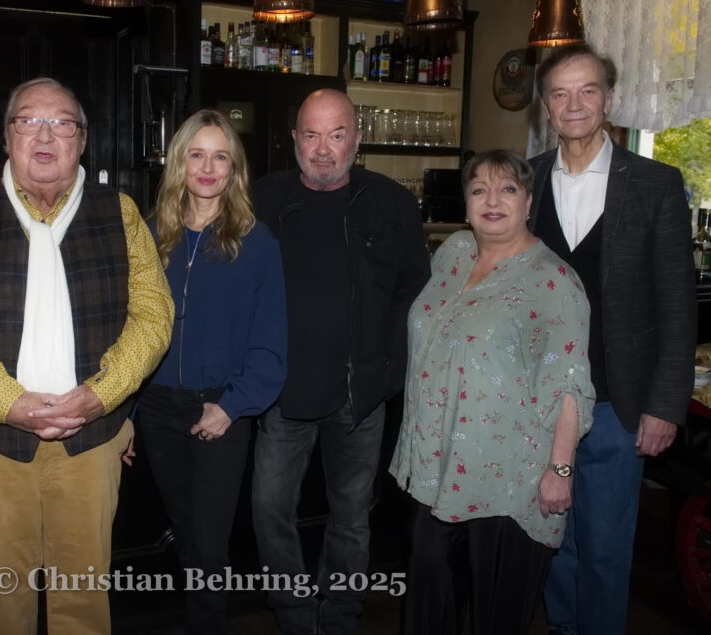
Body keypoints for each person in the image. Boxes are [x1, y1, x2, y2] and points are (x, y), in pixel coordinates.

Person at [0, 77, 173, 635]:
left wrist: (99, 397)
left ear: (82, 140)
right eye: (29, 120)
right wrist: (11, 403)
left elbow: (153, 317)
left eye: (62, 122)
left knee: (84, 597)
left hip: (91, 442)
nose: (45, 134)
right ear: (8, 137)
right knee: (0, 595)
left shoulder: (121, 213)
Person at [390, 150, 596, 634]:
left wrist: (559, 470)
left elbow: (569, 383)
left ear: (528, 203)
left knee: (495, 619)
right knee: (426, 613)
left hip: (509, 481)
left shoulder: (554, 281)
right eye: (479, 189)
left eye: (507, 190)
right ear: (465, 204)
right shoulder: (454, 252)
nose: (493, 201)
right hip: (434, 469)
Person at [529, 44, 696, 635]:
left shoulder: (653, 183)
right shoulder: (523, 183)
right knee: (550, 546)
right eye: (560, 93)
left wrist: (664, 405)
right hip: (537, 405)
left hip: (617, 407)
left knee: (604, 551)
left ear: (609, 98)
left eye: (588, 90)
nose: (574, 104)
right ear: (545, 106)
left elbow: (677, 306)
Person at [251, 88, 430, 634]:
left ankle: (341, 618)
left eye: (336, 134)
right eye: (311, 134)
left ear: (357, 138)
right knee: (268, 512)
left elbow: (413, 296)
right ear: (294, 140)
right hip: (282, 393)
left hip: (360, 398)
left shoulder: (391, 203)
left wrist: (388, 376)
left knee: (351, 520)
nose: (323, 149)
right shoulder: (263, 198)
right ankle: (296, 616)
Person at [133, 109, 287, 634]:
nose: (207, 166)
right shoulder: (151, 235)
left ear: (234, 169)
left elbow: (271, 342)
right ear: (180, 163)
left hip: (221, 406)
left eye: (220, 156)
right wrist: (127, 411)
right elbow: (130, 330)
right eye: (196, 154)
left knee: (209, 540)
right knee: (185, 532)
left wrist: (233, 405)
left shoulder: (256, 241)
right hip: (156, 408)